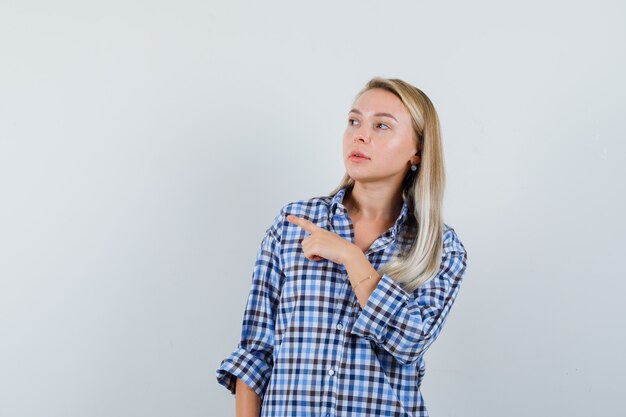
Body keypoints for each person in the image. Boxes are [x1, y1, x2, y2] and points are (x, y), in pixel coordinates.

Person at [215, 77, 469, 417]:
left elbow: (411, 341)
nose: (360, 135)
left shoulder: (441, 248)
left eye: (381, 125)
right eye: (354, 121)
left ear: (417, 152)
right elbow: (255, 351)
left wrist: (352, 257)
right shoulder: (293, 224)